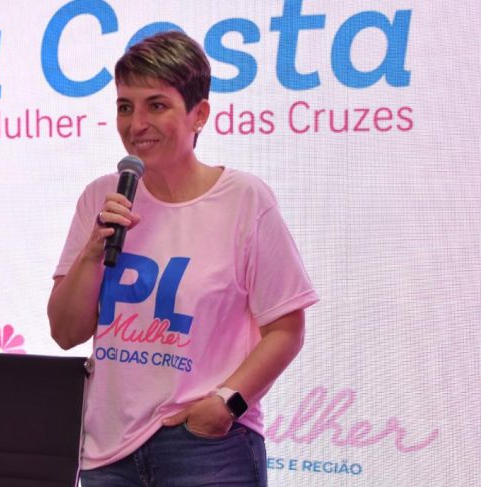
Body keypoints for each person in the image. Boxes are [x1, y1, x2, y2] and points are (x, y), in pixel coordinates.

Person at [47, 31, 318, 487]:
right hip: (107, 453)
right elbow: (65, 332)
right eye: (125, 107)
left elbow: (286, 330)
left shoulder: (244, 199)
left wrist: (226, 403)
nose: (136, 124)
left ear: (199, 114)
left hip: (207, 448)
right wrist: (93, 251)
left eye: (156, 105)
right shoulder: (101, 197)